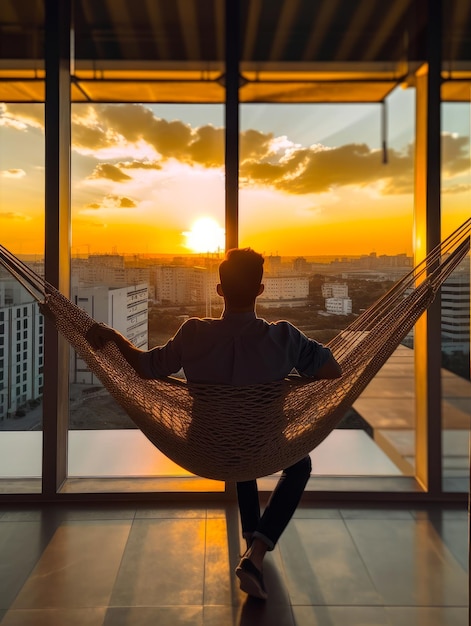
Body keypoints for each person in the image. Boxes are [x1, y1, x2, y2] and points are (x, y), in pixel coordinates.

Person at [86, 247, 341, 600]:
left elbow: (145, 368)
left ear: (219, 290)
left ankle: (250, 546)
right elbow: (334, 370)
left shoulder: (193, 334)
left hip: (207, 444)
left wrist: (114, 337)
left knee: (242, 462)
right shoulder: (285, 337)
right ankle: (257, 551)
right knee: (298, 465)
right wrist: (290, 381)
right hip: (264, 443)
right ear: (261, 290)